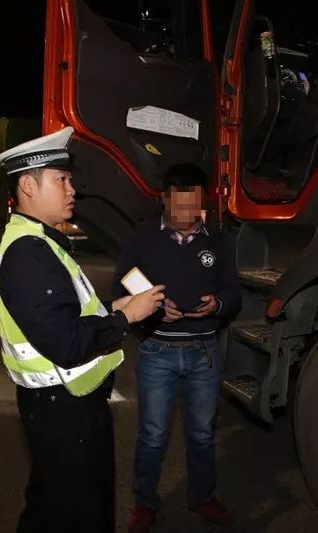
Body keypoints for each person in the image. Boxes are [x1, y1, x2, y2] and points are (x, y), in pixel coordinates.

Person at [0, 126, 165, 533]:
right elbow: (66, 343)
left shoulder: (41, 242)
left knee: (51, 506)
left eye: (69, 179)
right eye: (61, 179)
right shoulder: (28, 253)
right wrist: (126, 318)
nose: (72, 189)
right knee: (82, 514)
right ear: (28, 186)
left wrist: (114, 307)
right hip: (64, 409)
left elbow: (67, 314)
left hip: (60, 405)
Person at [112, 163, 242, 531]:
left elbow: (234, 292)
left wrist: (217, 304)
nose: (187, 214)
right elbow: (123, 286)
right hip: (158, 353)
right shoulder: (143, 238)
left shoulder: (217, 241)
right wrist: (151, 311)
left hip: (204, 353)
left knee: (202, 433)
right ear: (165, 199)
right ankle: (144, 503)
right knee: (153, 435)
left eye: (194, 204)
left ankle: (201, 497)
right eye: (179, 204)